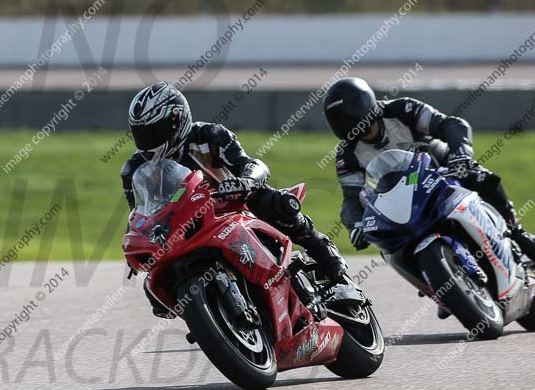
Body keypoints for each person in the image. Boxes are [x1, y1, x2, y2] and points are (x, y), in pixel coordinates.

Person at [122, 81, 347, 319]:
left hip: (236, 205)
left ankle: (330, 262)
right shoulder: (134, 169)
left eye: (154, 132)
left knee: (279, 204)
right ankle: (214, 317)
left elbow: (251, 164)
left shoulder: (209, 135)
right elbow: (139, 214)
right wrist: (138, 243)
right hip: (187, 223)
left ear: (176, 121)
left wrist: (245, 181)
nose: (147, 141)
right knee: (155, 289)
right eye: (141, 134)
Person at [323, 77, 535, 315]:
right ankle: (441, 288)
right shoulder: (347, 155)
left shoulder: (401, 109)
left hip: (439, 168)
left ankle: (516, 231)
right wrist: (356, 224)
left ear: (365, 104)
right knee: (386, 242)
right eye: (337, 119)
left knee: (478, 176)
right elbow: (351, 198)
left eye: (347, 113)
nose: (345, 121)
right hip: (397, 201)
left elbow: (451, 124)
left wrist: (461, 154)